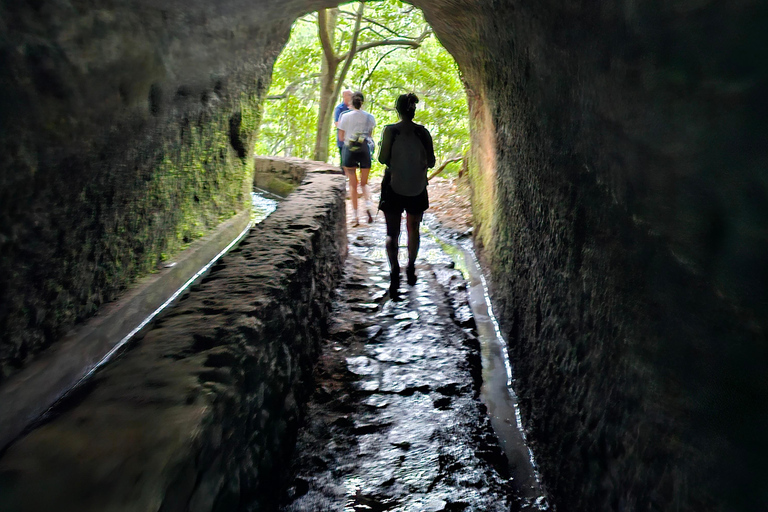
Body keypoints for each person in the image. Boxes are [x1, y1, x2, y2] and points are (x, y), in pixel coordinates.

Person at [377, 93, 435, 294]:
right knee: (413, 229)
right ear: (413, 110)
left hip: (393, 186)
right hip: (417, 187)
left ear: (397, 110)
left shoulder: (390, 131)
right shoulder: (423, 132)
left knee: (392, 233)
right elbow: (432, 161)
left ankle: (394, 271)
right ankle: (411, 266)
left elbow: (382, 158)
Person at [337, 91, 376, 226]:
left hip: (349, 150)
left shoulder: (345, 116)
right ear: (362, 102)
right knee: (364, 183)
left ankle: (355, 217)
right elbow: (369, 135)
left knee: (353, 185)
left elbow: (341, 138)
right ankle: (368, 205)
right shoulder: (370, 117)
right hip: (364, 149)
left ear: (351, 103)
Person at [333, 90, 353, 169]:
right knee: (344, 161)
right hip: (343, 138)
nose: (351, 96)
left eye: (352, 95)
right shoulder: (340, 108)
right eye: (349, 95)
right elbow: (337, 123)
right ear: (344, 96)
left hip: (353, 139)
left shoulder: (353, 108)